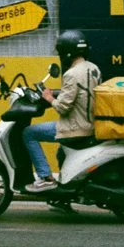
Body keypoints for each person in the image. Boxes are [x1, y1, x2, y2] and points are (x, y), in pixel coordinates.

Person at [23, 28, 100, 193]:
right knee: (61, 153)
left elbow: (63, 108)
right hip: (90, 124)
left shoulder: (71, 74)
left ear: (67, 53)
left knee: (29, 133)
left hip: (75, 128)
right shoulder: (94, 69)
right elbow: (81, 93)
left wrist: (49, 98)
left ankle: (45, 178)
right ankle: (62, 194)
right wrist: (57, 93)